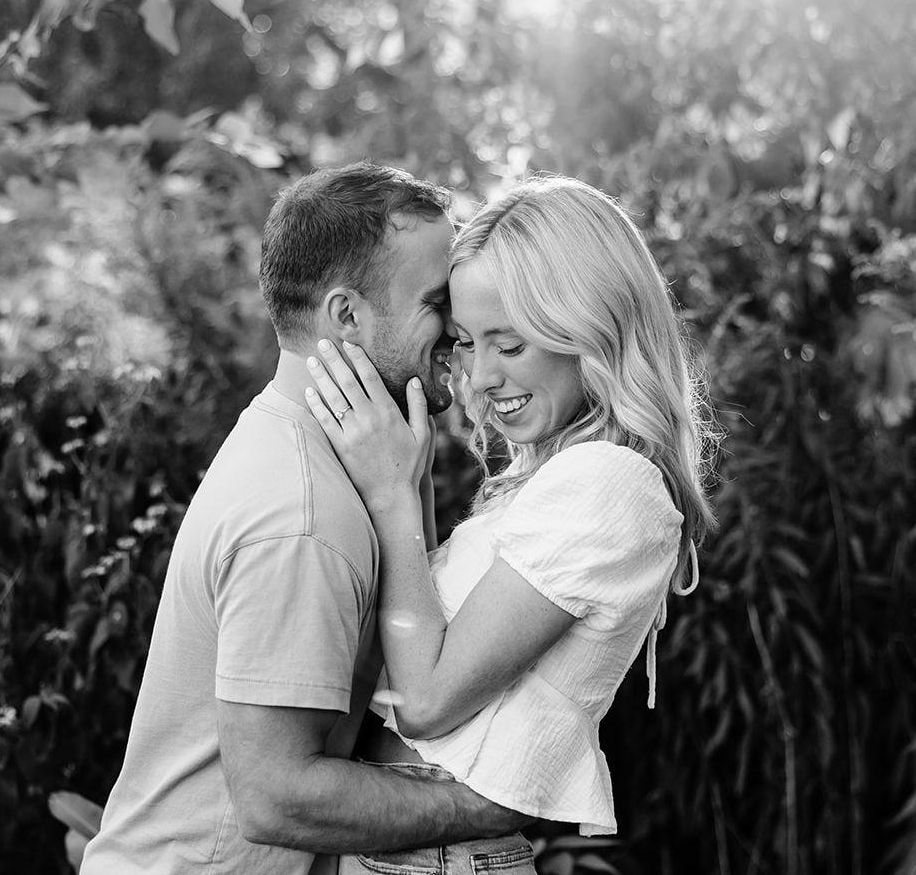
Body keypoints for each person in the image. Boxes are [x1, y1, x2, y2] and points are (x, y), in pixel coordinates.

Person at [77, 162, 530, 875]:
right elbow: (275, 799)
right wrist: (487, 806)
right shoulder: (302, 513)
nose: (460, 327)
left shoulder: (319, 458)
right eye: (438, 301)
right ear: (346, 315)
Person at [303, 175, 719, 873]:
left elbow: (425, 701)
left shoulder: (609, 484)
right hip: (416, 849)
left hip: (437, 857)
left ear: (591, 328)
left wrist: (393, 495)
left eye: (511, 344)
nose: (481, 376)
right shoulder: (566, 477)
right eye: (467, 342)